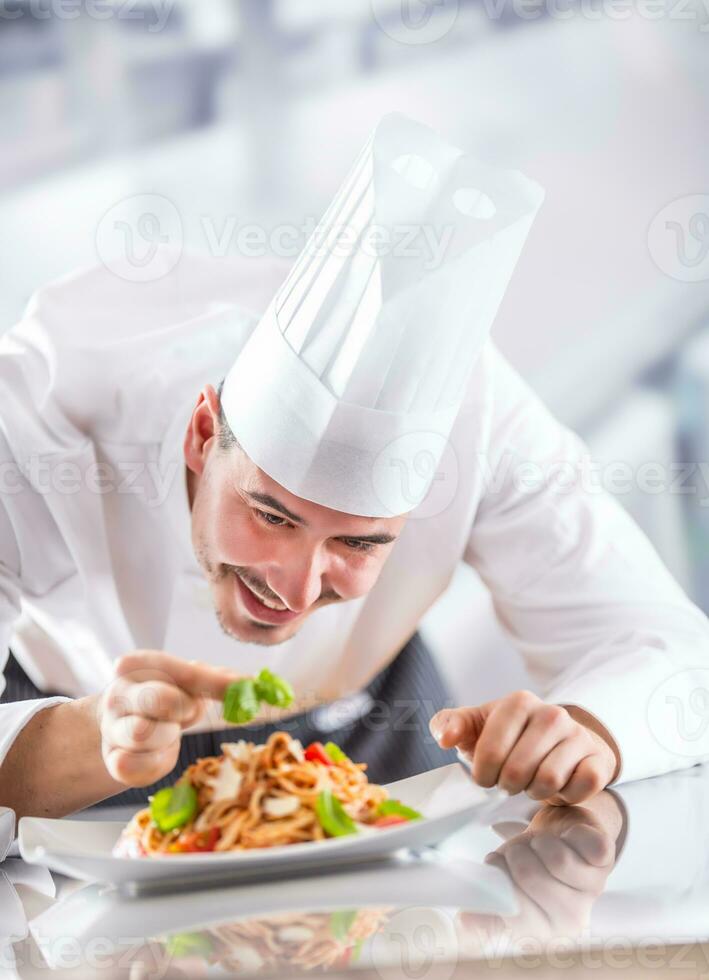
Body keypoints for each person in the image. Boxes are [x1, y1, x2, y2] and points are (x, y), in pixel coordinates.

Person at [0, 115, 707, 821]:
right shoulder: (35, 413)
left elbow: (671, 652)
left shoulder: (479, 419)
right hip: (72, 755)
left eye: (359, 542)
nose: (295, 586)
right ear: (203, 431)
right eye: (270, 515)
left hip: (372, 722)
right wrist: (96, 739)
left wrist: (590, 727)